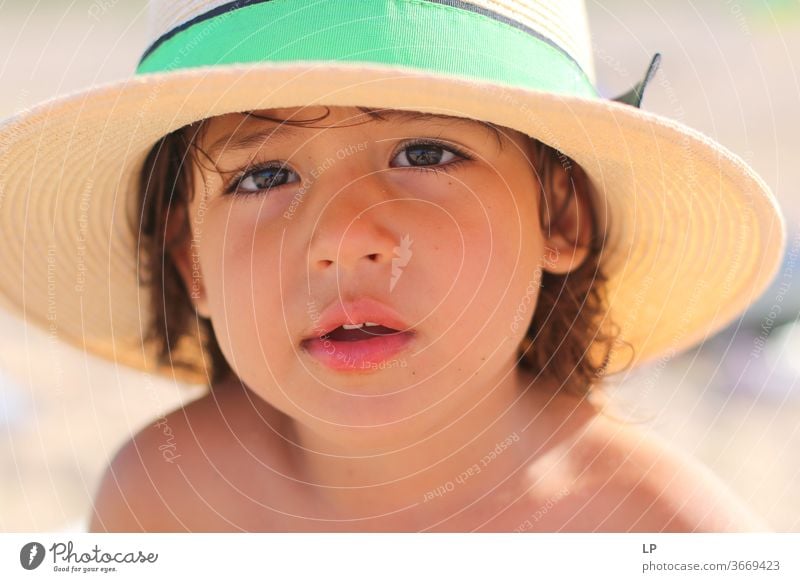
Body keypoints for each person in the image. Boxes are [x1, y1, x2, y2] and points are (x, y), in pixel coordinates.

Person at [0, 0, 785, 532]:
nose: (343, 236)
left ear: (560, 214)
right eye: (263, 176)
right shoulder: (167, 497)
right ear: (191, 260)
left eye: (427, 151)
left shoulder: (658, 534)